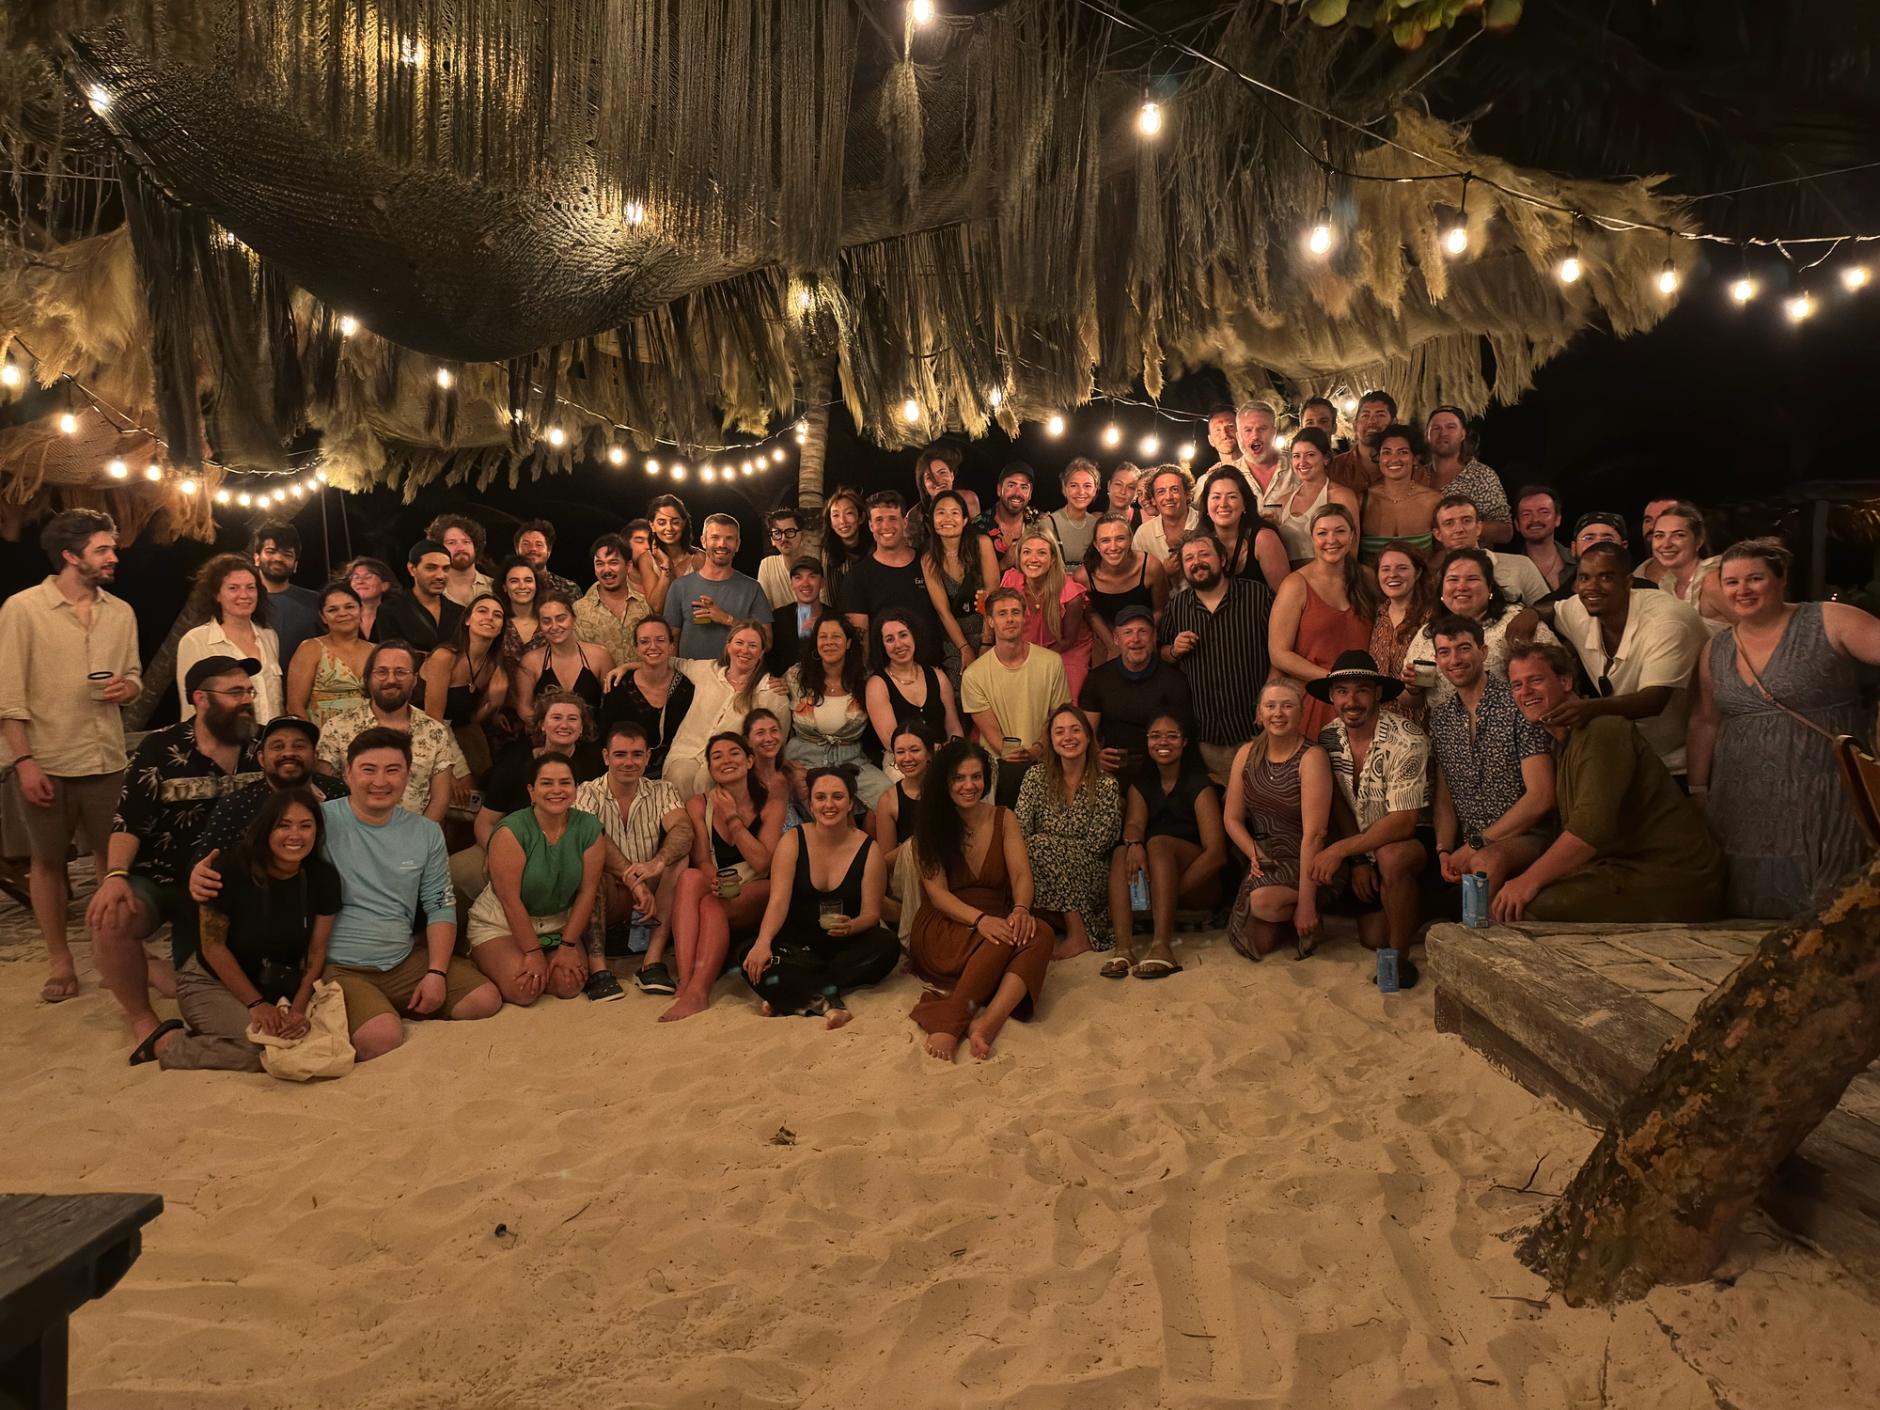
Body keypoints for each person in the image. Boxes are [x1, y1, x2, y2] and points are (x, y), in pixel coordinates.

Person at [1689, 539, 1880, 917]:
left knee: (1829, 908)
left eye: (1755, 579)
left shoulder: (1829, 620)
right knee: (1745, 907)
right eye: (1731, 582)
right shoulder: (1717, 649)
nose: (1742, 590)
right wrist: (1698, 790)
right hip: (1742, 800)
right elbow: (1705, 721)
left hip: (1824, 792)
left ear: (1781, 580)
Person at [0, 509, 141, 1003]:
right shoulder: (23, 609)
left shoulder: (121, 612)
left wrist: (129, 687)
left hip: (106, 756)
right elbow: (8, 696)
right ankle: (60, 959)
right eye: (103, 549)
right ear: (69, 555)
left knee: (113, 860)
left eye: (112, 548)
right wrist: (24, 763)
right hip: (47, 759)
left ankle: (109, 950)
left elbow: (135, 674)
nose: (112, 556)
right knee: (46, 862)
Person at [90, 656, 262, 1057]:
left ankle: (156, 970)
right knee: (111, 916)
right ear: (201, 698)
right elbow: (128, 821)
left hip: (239, 884)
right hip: (166, 877)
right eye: (235, 692)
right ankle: (142, 1020)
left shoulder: (266, 743)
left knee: (186, 980)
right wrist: (115, 876)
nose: (247, 700)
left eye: (249, 691)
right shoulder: (159, 747)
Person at [1497, 643, 1725, 922]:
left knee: (1533, 906)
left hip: (1674, 876)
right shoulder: (1563, 743)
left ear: (1566, 681)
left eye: (1535, 680)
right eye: (1516, 685)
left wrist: (1526, 882)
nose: (1525, 692)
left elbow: (1590, 831)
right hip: (1618, 869)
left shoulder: (1602, 730)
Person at [317, 729, 502, 1058]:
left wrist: (436, 973)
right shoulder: (320, 822)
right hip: (342, 966)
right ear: (348, 772)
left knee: (484, 1000)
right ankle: (376, 1013)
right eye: (368, 769)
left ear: (407, 774)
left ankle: (386, 1006)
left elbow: (440, 905)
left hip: (403, 959)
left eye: (393, 770)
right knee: (382, 1038)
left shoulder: (426, 832)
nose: (380, 781)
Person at [149, 787, 340, 1071]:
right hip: (210, 980)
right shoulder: (229, 869)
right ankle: (169, 1043)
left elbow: (316, 952)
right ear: (266, 829)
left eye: (305, 826)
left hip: (275, 983)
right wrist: (257, 1004)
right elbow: (213, 947)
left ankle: (222, 1031)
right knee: (259, 1051)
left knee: (296, 1042)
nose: (295, 835)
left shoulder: (322, 876)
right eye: (283, 825)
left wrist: (298, 1010)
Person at [908, 739, 1055, 1061]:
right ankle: (952, 1021)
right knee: (1002, 938)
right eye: (959, 778)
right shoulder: (929, 825)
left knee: (1039, 931)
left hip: (996, 919)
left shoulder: (1004, 818)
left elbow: (1020, 875)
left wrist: (1020, 909)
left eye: (976, 777)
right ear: (945, 780)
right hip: (947, 924)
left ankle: (989, 1021)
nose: (969, 785)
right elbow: (938, 895)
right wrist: (981, 920)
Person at [740, 766, 900, 1025]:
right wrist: (763, 942)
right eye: (820, 797)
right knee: (748, 955)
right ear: (811, 805)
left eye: (838, 797)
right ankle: (827, 1002)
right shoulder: (793, 840)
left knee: (887, 946)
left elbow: (871, 914)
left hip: (843, 947)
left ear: (850, 804)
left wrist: (852, 925)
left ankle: (792, 992)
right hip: (796, 944)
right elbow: (778, 901)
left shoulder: (868, 849)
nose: (829, 805)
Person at [1307, 651, 1429, 983]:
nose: (1352, 700)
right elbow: (1340, 804)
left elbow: (1403, 822)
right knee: (1372, 937)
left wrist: (1339, 851)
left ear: (1377, 693)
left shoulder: (1408, 739)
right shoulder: (1328, 737)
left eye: (1362, 689)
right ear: (1332, 697)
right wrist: (1359, 860)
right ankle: (1412, 913)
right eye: (1342, 691)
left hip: (1413, 841)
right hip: (1363, 845)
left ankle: (1400, 959)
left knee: (1392, 856)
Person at [1546, 542, 1709, 777]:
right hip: (1630, 760)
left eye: (1605, 578)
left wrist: (1588, 709)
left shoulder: (1667, 621)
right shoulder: (1582, 607)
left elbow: (1653, 701)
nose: (1591, 587)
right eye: (1584, 578)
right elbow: (1552, 609)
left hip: (1686, 764)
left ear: (1628, 581)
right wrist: (1528, 615)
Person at [1426, 615, 1557, 893]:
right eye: (1444, 652)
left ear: (1483, 652)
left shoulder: (1517, 705)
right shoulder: (1441, 719)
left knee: (1487, 860)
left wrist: (1477, 844)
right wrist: (1444, 850)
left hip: (1527, 836)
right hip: (1469, 845)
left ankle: (1482, 937)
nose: (1455, 660)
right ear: (1437, 660)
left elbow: (1541, 797)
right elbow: (1445, 797)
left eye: (1464, 648)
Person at [662, 732, 787, 1020]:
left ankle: (699, 992)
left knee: (712, 904)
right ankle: (686, 980)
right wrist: (712, 877)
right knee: (691, 878)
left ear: (749, 760)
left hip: (760, 885)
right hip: (723, 880)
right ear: (709, 766)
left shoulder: (771, 804)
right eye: (717, 756)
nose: (726, 760)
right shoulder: (698, 804)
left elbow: (763, 862)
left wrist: (732, 817)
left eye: (734, 753)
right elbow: (703, 859)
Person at [464, 752, 605, 1005]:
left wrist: (568, 946)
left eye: (565, 782)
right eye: (546, 783)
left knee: (568, 986)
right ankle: (484, 957)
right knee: (524, 989)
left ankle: (545, 958)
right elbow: (509, 900)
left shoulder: (590, 828)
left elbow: (587, 892)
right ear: (531, 790)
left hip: (559, 923)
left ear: (575, 788)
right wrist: (532, 952)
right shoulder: (511, 831)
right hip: (502, 923)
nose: (557, 790)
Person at [575, 721, 693, 998]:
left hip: (652, 891)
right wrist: (632, 879)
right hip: (610, 891)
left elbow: (683, 829)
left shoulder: (662, 790)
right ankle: (598, 970)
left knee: (679, 860)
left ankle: (652, 962)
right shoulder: (586, 792)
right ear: (606, 757)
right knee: (591, 867)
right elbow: (593, 836)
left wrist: (657, 864)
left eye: (637, 754)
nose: (629, 762)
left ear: (648, 757)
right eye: (620, 754)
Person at [1223, 681, 1333, 962]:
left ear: (1301, 712)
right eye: (1270, 706)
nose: (1278, 713)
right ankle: (1289, 921)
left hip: (1306, 859)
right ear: (1259, 714)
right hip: (1265, 858)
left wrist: (1306, 903)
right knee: (1257, 944)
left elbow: (1316, 834)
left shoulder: (1311, 757)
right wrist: (1254, 853)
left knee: (1261, 902)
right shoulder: (1246, 754)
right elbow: (1232, 818)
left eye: (1287, 705)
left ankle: (1309, 909)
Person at [1112, 711, 1225, 979]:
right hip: (1158, 881)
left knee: (1160, 844)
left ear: (1184, 742)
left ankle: (1162, 947)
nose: (1164, 742)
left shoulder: (1200, 784)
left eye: (1172, 736)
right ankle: (1123, 949)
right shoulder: (1142, 783)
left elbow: (1217, 854)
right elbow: (1135, 824)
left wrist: (1172, 891)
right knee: (1121, 852)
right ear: (1147, 740)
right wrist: (1134, 843)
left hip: (1200, 883)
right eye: (1156, 736)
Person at [1159, 534, 1274, 781]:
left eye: (1204, 554)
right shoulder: (1177, 606)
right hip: (1206, 733)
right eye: (1188, 558)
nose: (1196, 562)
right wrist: (1173, 650)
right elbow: (1162, 653)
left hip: (1256, 727)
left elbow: (1281, 651)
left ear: (1222, 559)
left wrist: (1269, 699)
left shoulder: (1258, 596)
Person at [315, 642, 469, 821]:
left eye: (401, 672)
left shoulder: (435, 732)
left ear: (415, 680)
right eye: (382, 672)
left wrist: (416, 838)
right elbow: (326, 794)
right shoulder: (336, 728)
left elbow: (440, 800)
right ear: (368, 678)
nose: (391, 680)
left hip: (412, 840)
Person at [1014, 704, 1122, 960]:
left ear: (1087, 736)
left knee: (1039, 845)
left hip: (1092, 872)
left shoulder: (1107, 784)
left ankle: (1079, 935)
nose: (1068, 737)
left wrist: (1052, 849)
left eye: (1075, 730)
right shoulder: (1035, 777)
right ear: (1051, 740)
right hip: (1041, 870)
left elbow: (1099, 844)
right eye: (1059, 732)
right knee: (1029, 852)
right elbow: (1019, 829)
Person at [186, 716, 347, 881]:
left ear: (315, 756)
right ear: (261, 758)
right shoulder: (235, 805)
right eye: (278, 746)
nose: (289, 753)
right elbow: (203, 868)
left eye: (299, 746)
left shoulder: (339, 793)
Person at [1269, 504, 1380, 740]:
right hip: (1316, 697)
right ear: (1312, 538)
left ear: (1352, 535)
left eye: (1339, 531)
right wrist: (1333, 680)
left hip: (1363, 700)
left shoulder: (1368, 578)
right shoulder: (1295, 585)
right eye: (1322, 533)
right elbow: (1279, 653)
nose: (1332, 539)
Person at [1402, 549, 1554, 711]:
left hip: (1512, 730)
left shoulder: (1517, 622)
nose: (1461, 586)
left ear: (1490, 588)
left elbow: (1557, 676)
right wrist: (1413, 689)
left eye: (1472, 579)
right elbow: (1412, 702)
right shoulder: (1428, 632)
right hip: (1448, 731)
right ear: (1441, 590)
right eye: (1453, 579)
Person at [958, 587, 1071, 807]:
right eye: (1002, 614)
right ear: (990, 621)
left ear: (1024, 617)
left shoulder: (1051, 662)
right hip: (999, 764)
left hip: (1044, 756)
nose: (1010, 619)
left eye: (1015, 612)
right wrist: (1022, 756)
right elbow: (994, 736)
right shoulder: (974, 675)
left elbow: (1059, 718)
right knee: (1012, 774)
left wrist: (1037, 750)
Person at [662, 621, 789, 796]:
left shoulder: (771, 691)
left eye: (752, 646)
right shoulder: (708, 670)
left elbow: (776, 745)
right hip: (687, 752)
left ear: (761, 653)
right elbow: (668, 662)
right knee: (680, 775)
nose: (744, 650)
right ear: (728, 646)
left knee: (706, 779)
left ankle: (707, 823)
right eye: (739, 643)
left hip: (733, 761)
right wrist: (629, 667)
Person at [784, 613, 889, 808]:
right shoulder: (795, 677)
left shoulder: (866, 680)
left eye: (836, 637)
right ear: (815, 643)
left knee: (887, 797)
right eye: (823, 637)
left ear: (848, 643)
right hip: (803, 760)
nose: (829, 642)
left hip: (852, 761)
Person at [1077, 604, 1192, 778]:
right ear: (1116, 639)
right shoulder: (1098, 679)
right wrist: (1095, 757)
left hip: (1160, 770)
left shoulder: (1174, 681)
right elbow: (1086, 733)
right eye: (1128, 632)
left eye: (1143, 632)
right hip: (1112, 770)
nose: (1135, 639)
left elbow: (1183, 737)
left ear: (1154, 637)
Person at [838, 492, 943, 667]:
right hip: (885, 678)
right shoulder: (857, 577)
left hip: (933, 670)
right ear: (871, 526)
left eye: (893, 518)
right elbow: (859, 640)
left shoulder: (927, 563)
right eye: (879, 520)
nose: (886, 526)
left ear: (905, 523)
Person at [177, 554, 284, 722]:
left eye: (250, 587)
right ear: (217, 595)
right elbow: (190, 709)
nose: (244, 595)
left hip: (268, 744)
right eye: (233, 588)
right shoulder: (195, 641)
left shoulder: (269, 636)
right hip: (225, 744)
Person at [419, 591, 511, 776]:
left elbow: (469, 719)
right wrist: (450, 772)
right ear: (467, 620)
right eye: (482, 611)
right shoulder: (445, 657)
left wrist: (492, 705)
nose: (489, 618)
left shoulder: (492, 666)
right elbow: (433, 720)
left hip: (457, 730)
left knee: (487, 774)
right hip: (423, 730)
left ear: (501, 627)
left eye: (497, 615)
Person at [998, 528, 1094, 698]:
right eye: (1027, 552)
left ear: (1052, 559)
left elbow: (1068, 640)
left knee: (1065, 699)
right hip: (1026, 648)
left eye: (1041, 553)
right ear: (1019, 557)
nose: (1033, 559)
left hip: (1065, 649)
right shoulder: (1010, 581)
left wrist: (1034, 661)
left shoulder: (1070, 593)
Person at [919, 489, 1001, 682]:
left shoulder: (981, 544)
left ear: (965, 520)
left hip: (989, 630)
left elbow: (991, 592)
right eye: (941, 512)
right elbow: (943, 611)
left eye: (954, 513)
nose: (948, 518)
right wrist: (964, 649)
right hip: (956, 639)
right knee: (959, 683)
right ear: (932, 520)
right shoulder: (929, 559)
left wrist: (986, 641)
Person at [598, 615, 695, 778]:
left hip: (675, 775)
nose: (653, 646)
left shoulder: (686, 688)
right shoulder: (618, 687)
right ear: (636, 648)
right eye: (644, 641)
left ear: (671, 646)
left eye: (660, 640)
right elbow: (605, 738)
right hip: (629, 774)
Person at [664, 513, 770, 661]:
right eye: (715, 537)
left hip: (736, 679)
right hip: (690, 678)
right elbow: (670, 641)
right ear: (703, 541)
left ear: (738, 544)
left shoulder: (752, 588)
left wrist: (727, 619)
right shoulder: (680, 587)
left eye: (729, 538)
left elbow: (767, 642)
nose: (722, 544)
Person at [864, 610, 962, 754]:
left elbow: (954, 729)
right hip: (902, 762)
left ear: (914, 636)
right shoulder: (877, 685)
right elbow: (891, 743)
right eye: (890, 639)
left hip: (944, 758)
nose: (898, 644)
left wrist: (951, 754)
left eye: (903, 635)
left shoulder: (938, 676)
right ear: (882, 646)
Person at [1080, 511, 1170, 665]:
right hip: (1106, 639)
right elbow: (1091, 613)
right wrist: (1113, 645)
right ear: (1096, 545)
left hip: (1145, 638)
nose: (1113, 547)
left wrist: (1141, 640)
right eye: (1105, 540)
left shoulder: (1150, 567)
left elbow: (1160, 609)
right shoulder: (1084, 577)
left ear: (1130, 540)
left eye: (1120, 539)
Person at [1431, 495, 1551, 606]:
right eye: (1449, 523)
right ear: (1438, 534)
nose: (1459, 529)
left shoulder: (1520, 565)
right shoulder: (1432, 580)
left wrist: (1530, 616)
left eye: (1466, 520)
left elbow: (1548, 608)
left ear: (1478, 528)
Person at [870, 719, 934, 927]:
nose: (907, 758)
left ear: (929, 754)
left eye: (914, 750)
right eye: (900, 752)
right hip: (906, 876)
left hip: (944, 865)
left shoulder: (947, 790)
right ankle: (915, 932)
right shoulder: (889, 800)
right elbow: (885, 861)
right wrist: (914, 844)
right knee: (914, 848)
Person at [1367, 541, 1438, 727]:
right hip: (1379, 724)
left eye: (1402, 568)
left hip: (1420, 723)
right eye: (1385, 569)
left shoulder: (1433, 617)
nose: (1392, 575)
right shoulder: (1376, 615)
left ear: (1418, 573)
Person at [286, 583, 372, 726]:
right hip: (323, 739)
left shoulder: (375, 651)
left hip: (372, 738)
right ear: (323, 617)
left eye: (349, 607)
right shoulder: (310, 649)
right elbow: (294, 706)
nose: (343, 613)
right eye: (333, 610)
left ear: (361, 610)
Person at [1423, 406, 1512, 543]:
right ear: (1426, 435)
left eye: (1451, 427)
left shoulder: (1482, 475)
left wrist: (1456, 528)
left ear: (1463, 434)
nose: (1443, 433)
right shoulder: (1416, 475)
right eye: (1436, 428)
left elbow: (1505, 531)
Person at [515, 592, 612, 718]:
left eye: (561, 619)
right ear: (540, 625)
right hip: (545, 735)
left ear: (573, 619)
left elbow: (612, 704)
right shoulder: (530, 662)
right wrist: (548, 730)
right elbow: (524, 708)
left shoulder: (600, 656)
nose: (554, 626)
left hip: (593, 734)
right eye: (546, 621)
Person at [1274, 427, 1360, 567]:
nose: (1302, 462)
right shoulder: (1283, 501)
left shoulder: (1341, 496)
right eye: (1296, 456)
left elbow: (1352, 550)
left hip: (1329, 579)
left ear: (1326, 459)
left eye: (1310, 455)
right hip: (1290, 581)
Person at [1201, 467, 1292, 594]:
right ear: (1206, 505)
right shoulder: (1200, 542)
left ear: (1244, 504)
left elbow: (1285, 598)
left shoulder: (1264, 539)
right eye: (1216, 497)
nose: (1223, 504)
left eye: (1232, 497)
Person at [1359, 424, 1442, 564]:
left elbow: (1443, 550)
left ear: (1415, 459)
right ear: (1378, 458)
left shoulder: (1433, 501)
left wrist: (1426, 579)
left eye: (1402, 452)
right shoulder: (1362, 500)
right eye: (1387, 452)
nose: (1394, 458)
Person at [574, 532, 649, 670]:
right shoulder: (579, 610)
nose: (606, 570)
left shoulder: (646, 606)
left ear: (628, 566)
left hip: (644, 688)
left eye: (613, 562)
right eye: (600, 564)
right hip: (600, 689)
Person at [376, 540, 466, 655]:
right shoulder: (391, 610)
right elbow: (391, 656)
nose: (440, 576)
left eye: (446, 569)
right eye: (431, 568)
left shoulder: (460, 612)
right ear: (412, 569)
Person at [1648, 502, 1729, 629]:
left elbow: (1756, 626)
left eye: (1678, 535)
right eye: (1659, 536)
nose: (1666, 544)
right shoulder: (1666, 584)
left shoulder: (1712, 581)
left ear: (1698, 541)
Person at [250, 522, 321, 665]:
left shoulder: (316, 602)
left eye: (287, 554)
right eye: (271, 551)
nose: (278, 558)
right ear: (256, 558)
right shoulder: (242, 601)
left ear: (295, 565)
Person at [1226, 402, 1296, 522]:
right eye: (1248, 430)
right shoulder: (1227, 476)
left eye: (1262, 429)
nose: (1255, 436)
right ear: (1238, 437)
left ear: (1274, 432)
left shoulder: (1298, 467)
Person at [634, 495, 703, 615]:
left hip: (695, 629)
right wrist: (666, 564)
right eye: (662, 522)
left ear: (684, 523)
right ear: (652, 525)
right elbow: (657, 607)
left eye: (675, 522)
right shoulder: (646, 559)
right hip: (660, 632)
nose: (669, 528)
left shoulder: (700, 558)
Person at [1328, 390, 1406, 493]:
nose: (1372, 421)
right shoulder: (1335, 467)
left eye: (1380, 415)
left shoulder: (1406, 466)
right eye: (1365, 415)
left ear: (1394, 423)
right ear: (1355, 426)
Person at [906, 441, 980, 546]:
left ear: (952, 475)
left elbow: (979, 538)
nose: (937, 480)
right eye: (929, 477)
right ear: (923, 485)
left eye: (942, 473)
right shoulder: (914, 516)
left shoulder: (969, 499)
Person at [1132, 465, 1200, 576]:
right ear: (1153, 499)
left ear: (1187, 494)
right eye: (1161, 492)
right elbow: (1137, 579)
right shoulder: (1143, 534)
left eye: (1174, 489)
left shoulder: (1206, 523)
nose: (1168, 497)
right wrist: (1162, 572)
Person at [974, 462, 1042, 570]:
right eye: (1011, 485)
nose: (1017, 493)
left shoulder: (1040, 520)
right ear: (999, 490)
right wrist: (1004, 564)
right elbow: (972, 579)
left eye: (1024, 487)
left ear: (1030, 493)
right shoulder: (977, 526)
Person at [769, 555, 826, 676]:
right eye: (798, 577)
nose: (805, 583)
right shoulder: (778, 618)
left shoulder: (835, 618)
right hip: (785, 689)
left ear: (822, 582)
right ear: (792, 584)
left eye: (812, 576)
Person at [1513, 486, 1574, 593]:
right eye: (1526, 514)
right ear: (1517, 524)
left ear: (1558, 519)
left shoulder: (1579, 562)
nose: (1535, 519)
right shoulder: (1509, 570)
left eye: (1544, 512)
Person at [1043, 458, 1102, 566]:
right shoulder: (1048, 524)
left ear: (1094, 490)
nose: (1081, 492)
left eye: (1087, 486)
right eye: (1074, 485)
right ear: (1064, 489)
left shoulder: (1098, 525)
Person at [427, 513, 493, 606]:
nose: (460, 548)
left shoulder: (496, 587)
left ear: (476, 547)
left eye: (466, 542)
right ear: (439, 548)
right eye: (451, 542)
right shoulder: (429, 590)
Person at [820, 488, 872, 598]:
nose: (842, 521)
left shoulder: (875, 549)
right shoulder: (826, 555)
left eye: (848, 513)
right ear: (830, 521)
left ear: (861, 517)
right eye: (835, 515)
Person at [495, 556, 545, 669]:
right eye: (514, 581)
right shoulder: (496, 622)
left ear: (536, 585)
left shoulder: (550, 621)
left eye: (528, 580)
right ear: (504, 587)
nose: (522, 586)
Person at [513, 519, 580, 600]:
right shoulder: (505, 586)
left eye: (539, 544)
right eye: (526, 544)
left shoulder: (569, 589)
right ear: (517, 549)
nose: (533, 549)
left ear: (549, 551)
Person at [756, 507, 806, 609]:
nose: (784, 538)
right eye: (777, 533)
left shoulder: (817, 563)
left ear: (802, 535)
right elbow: (764, 609)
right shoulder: (768, 565)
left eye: (790, 531)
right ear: (772, 540)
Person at [344, 557, 396, 642]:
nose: (360, 582)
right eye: (356, 577)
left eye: (368, 577)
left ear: (385, 585)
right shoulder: (343, 616)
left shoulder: (398, 615)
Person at [1105, 463, 1143, 530]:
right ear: (1109, 485)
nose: (1123, 491)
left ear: (1136, 493)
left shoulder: (1146, 519)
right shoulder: (1095, 519)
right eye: (1118, 484)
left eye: (1130, 487)